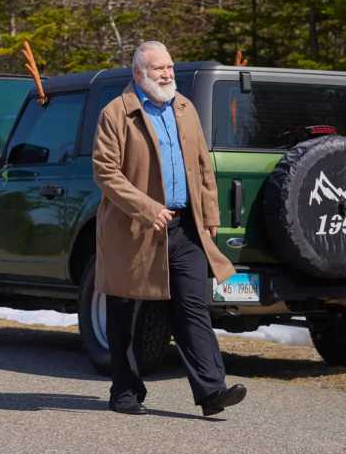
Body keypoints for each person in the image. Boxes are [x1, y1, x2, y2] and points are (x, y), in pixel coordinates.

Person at [92, 41, 247, 416]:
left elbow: (202, 168)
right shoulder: (116, 113)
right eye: (158, 68)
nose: (167, 74)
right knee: (125, 312)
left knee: (193, 307)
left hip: (184, 228)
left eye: (170, 67)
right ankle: (125, 392)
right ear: (138, 74)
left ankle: (212, 392)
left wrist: (210, 219)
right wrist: (147, 208)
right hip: (133, 230)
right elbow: (105, 172)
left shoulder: (185, 108)